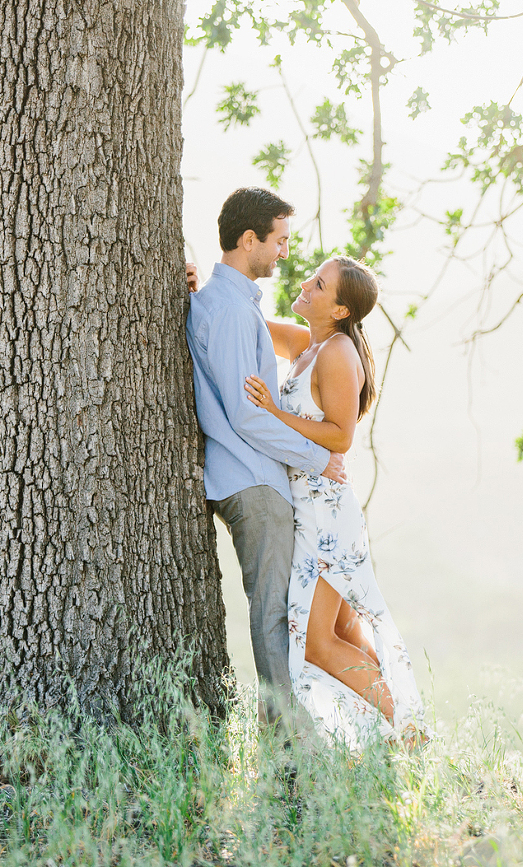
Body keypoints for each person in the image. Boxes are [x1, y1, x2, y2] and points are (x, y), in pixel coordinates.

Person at [243, 255, 428, 749]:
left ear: (341, 309)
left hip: (326, 516)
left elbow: (340, 437)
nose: (306, 283)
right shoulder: (311, 344)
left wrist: (272, 413)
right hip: (308, 510)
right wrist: (197, 290)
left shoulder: (338, 352)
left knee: (321, 644)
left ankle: (410, 729)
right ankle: (395, 731)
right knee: (346, 632)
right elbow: (253, 325)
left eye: (319, 284)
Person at [185, 187, 347, 728]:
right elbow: (248, 415)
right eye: (278, 241)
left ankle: (295, 744)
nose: (284, 252)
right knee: (275, 618)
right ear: (248, 239)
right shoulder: (231, 310)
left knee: (281, 615)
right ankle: (291, 756)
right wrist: (316, 458)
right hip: (254, 482)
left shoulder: (223, 302)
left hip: (250, 479)